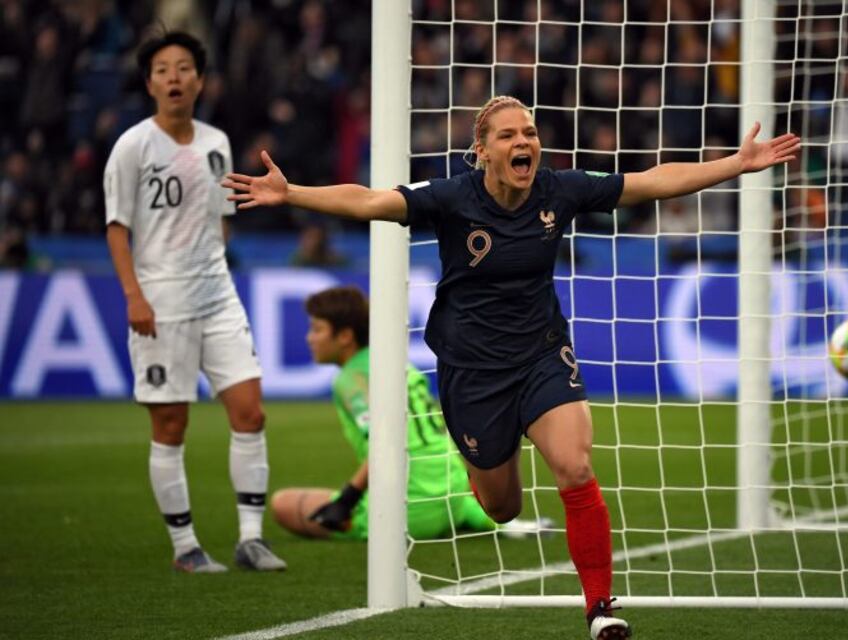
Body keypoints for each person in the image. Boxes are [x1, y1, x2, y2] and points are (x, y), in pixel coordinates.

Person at [224, 95, 799, 638]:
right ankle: (485, 469)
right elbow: (371, 201)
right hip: (473, 372)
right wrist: (292, 193)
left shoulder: (559, 189)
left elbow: (649, 182)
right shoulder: (453, 197)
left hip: (542, 354)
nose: (523, 141)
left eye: (529, 132)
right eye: (508, 135)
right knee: (503, 508)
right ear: (482, 151)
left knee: (574, 466)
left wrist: (734, 164)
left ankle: (600, 607)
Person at [104, 31, 286, 574]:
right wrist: (134, 296)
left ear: (200, 81)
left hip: (218, 298)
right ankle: (185, 546)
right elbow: (117, 229)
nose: (174, 78)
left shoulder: (216, 142)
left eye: (184, 68)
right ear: (149, 84)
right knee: (170, 426)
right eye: (163, 70)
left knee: (250, 412)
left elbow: (221, 219)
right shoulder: (133, 146)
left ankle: (251, 539)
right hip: (161, 305)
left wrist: (212, 263)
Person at [271, 285, 549, 540]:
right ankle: (503, 525)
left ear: (344, 336)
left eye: (317, 329)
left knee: (283, 504)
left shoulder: (352, 380)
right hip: (453, 494)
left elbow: (385, 443)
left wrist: (347, 498)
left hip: (409, 510)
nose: (309, 338)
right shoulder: (397, 363)